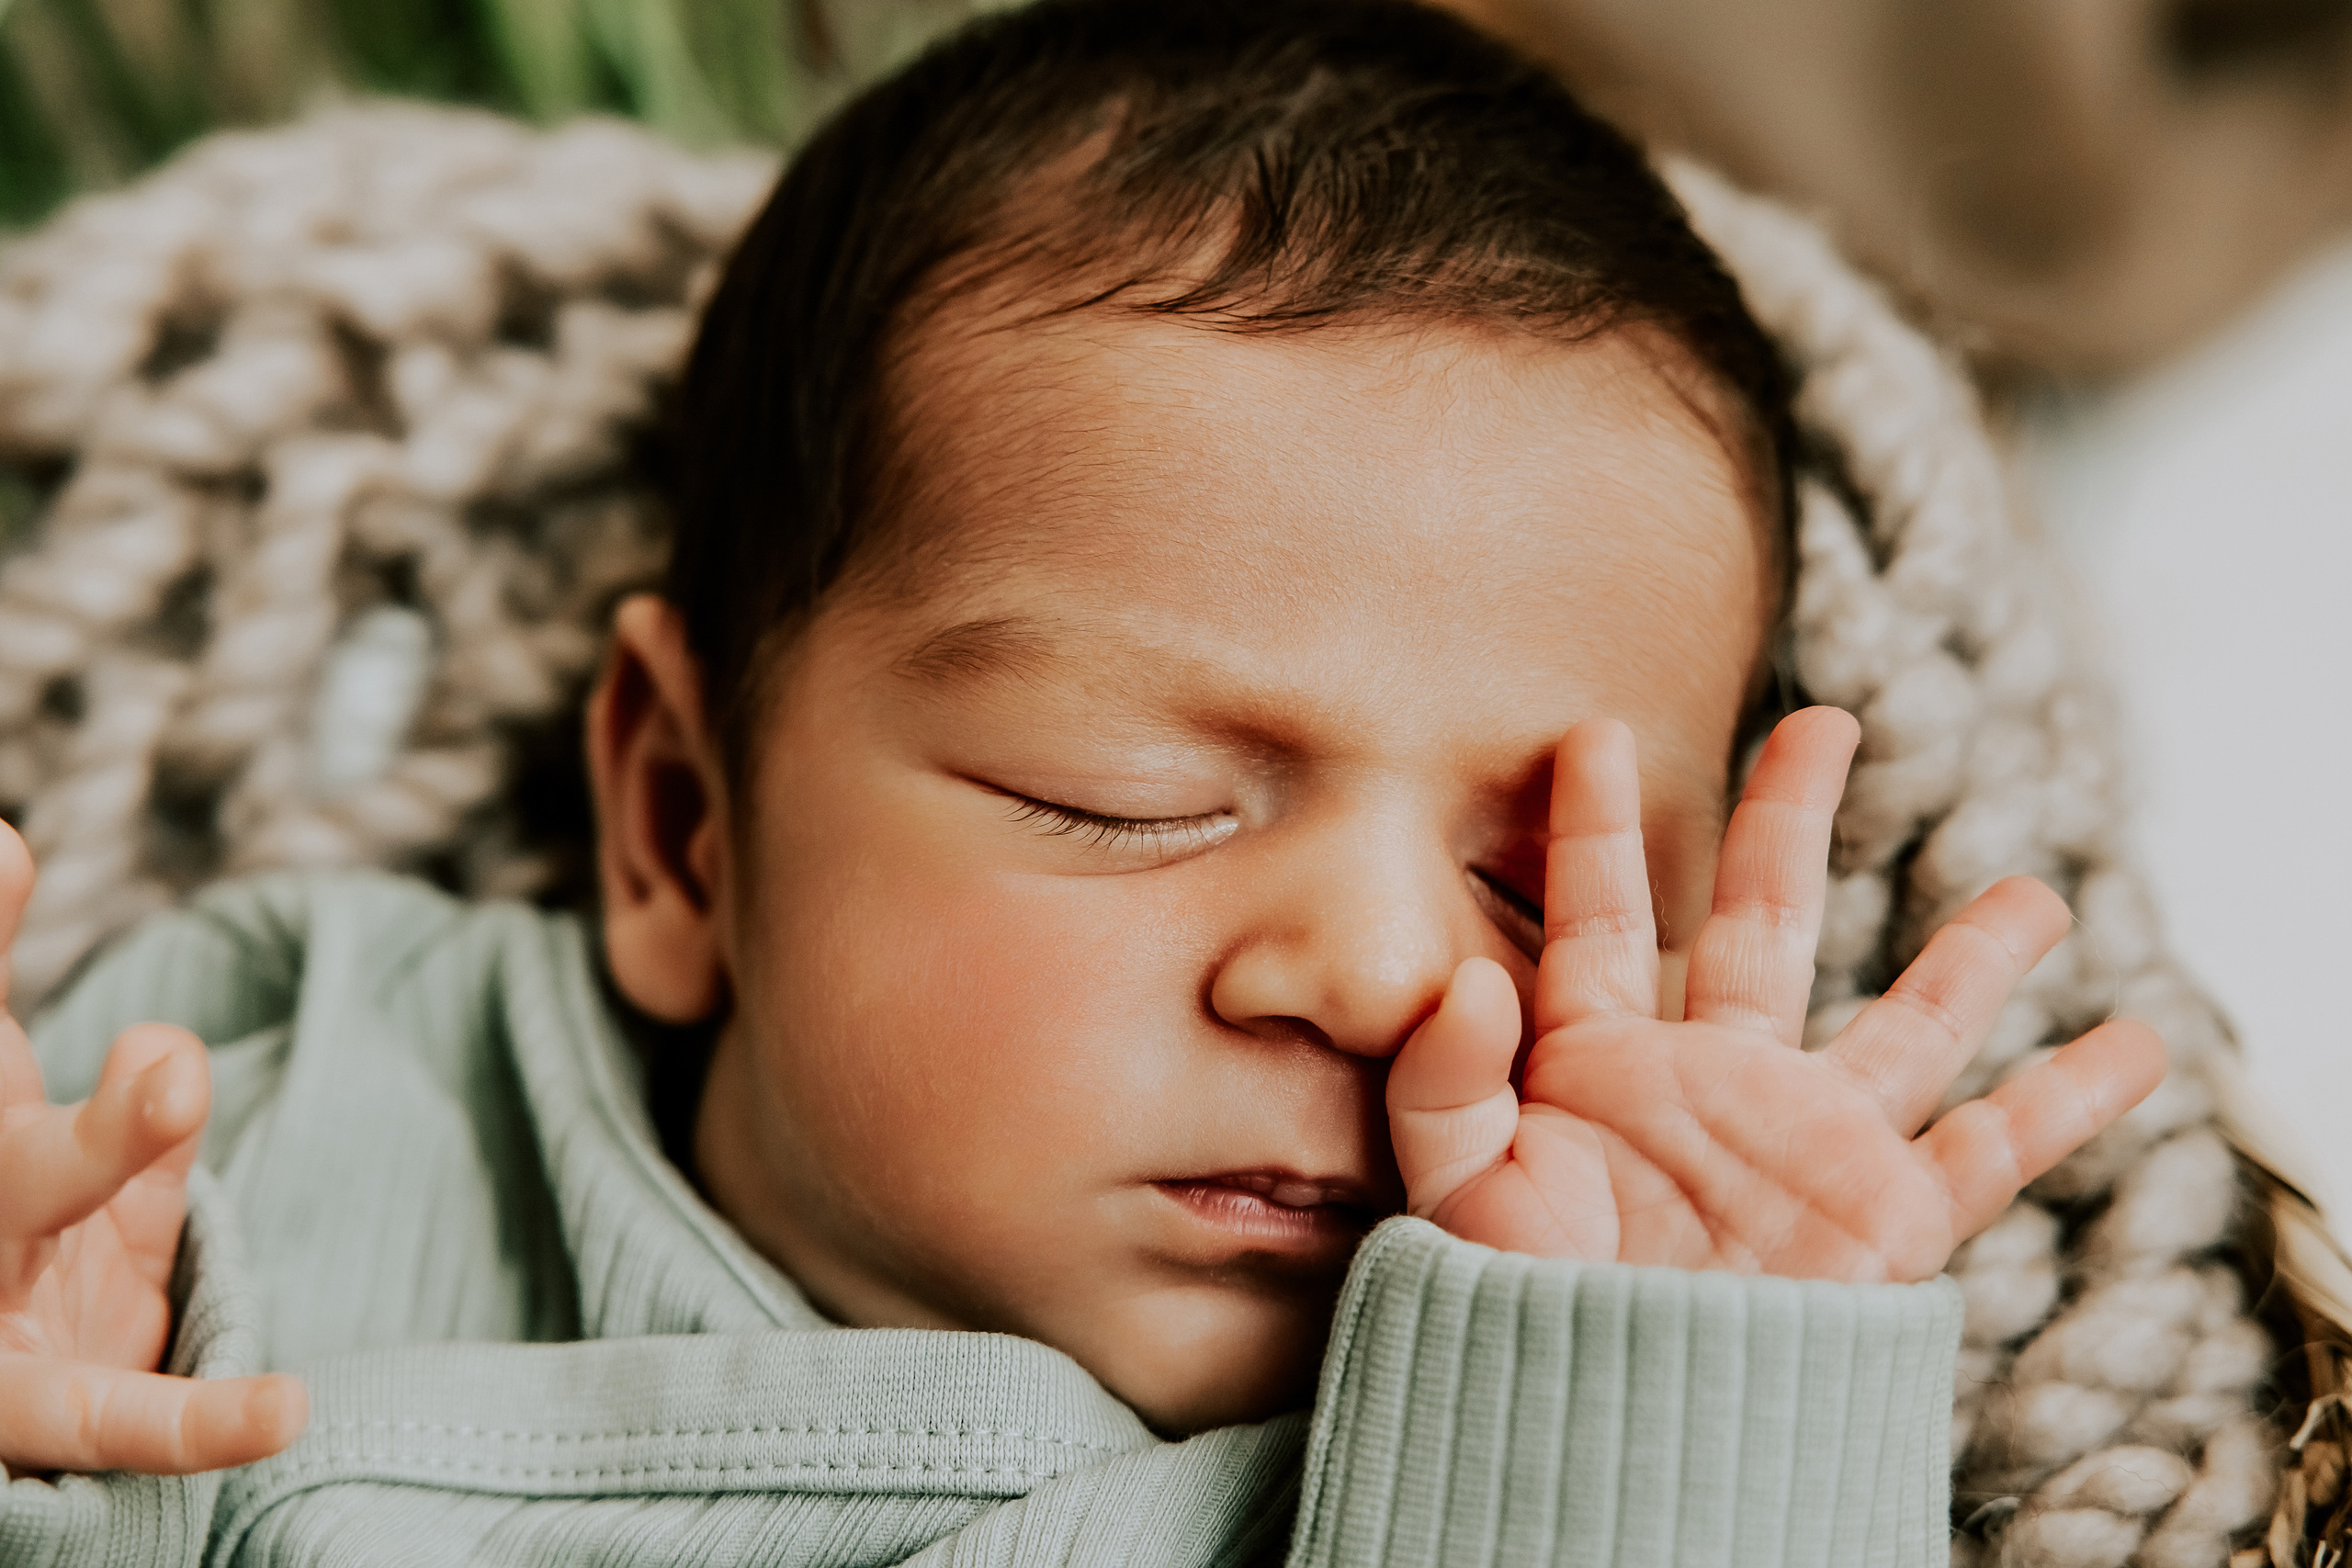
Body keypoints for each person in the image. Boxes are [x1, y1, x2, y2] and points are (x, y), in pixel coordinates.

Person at [0, 1, 2172, 1562]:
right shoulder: (269, 1095)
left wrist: (1665, 1389)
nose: (1385, 968)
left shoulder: (1488, 1437)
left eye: (1547, 886)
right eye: (1128, 793)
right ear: (681, 820)